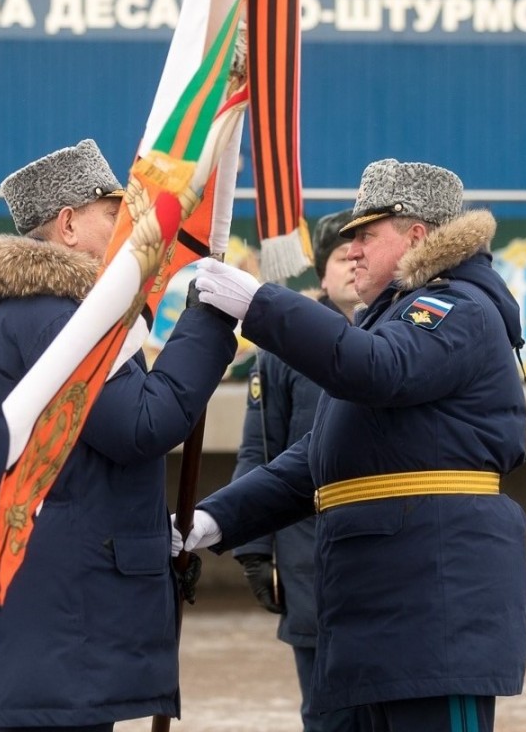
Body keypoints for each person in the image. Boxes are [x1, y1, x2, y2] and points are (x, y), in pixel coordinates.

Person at [179, 158, 526, 732]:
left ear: (417, 236)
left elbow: (374, 369)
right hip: (387, 609)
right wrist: (211, 520)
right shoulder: (393, 318)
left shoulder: (455, 307)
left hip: (434, 612)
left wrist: (259, 304)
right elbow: (316, 460)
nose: (352, 249)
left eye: (367, 235)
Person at [0, 138, 238, 731]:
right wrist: (207, 323)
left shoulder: (32, 312)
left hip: (47, 597)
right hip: (60, 605)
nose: (131, 230)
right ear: (69, 225)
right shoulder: (58, 315)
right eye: (116, 214)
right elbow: (139, 424)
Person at [230, 208, 370, 732]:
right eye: (341, 255)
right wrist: (252, 548)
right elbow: (259, 452)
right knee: (327, 711)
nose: (354, 264)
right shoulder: (286, 349)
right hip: (309, 553)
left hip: (386, 553)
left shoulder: (408, 335)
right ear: (321, 269)